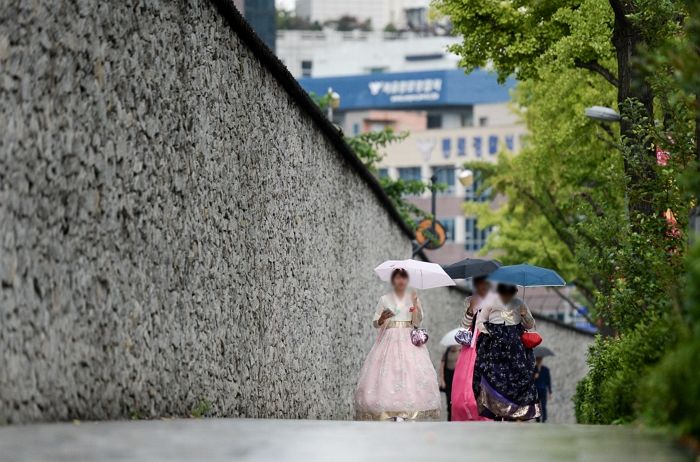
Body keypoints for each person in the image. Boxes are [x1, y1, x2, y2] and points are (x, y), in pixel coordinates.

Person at [354, 268, 441, 421]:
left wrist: (415, 304)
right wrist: (382, 318)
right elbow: (376, 322)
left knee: (409, 371)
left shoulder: (413, 297)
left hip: (408, 338)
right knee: (389, 371)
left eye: (403, 278)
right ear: (393, 280)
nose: (400, 281)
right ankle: (390, 410)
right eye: (397, 278)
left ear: (407, 281)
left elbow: (417, 321)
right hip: (389, 338)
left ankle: (405, 410)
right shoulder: (384, 299)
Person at [472, 283, 541, 421]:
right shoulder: (490, 302)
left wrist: (525, 315)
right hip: (494, 348)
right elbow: (480, 322)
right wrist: (493, 332)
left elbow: (530, 324)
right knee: (493, 378)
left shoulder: (520, 303)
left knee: (517, 378)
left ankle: (513, 412)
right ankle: (496, 411)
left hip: (515, 348)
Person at [450, 276, 493, 421]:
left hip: (486, 344)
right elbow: (464, 326)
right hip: (470, 347)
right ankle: (464, 407)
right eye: (479, 284)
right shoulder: (472, 301)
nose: (482, 287)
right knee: (464, 378)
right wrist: (470, 310)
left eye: (484, 284)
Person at [439, 344, 461, 421]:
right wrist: (442, 380)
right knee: (449, 400)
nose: (454, 347)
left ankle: (457, 417)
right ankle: (450, 419)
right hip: (448, 377)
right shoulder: (447, 351)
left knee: (457, 400)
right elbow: (442, 366)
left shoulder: (460, 351)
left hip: (457, 377)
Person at [534, 356, 552, 423]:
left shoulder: (546, 370)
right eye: (537, 359)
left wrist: (550, 392)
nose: (538, 361)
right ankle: (537, 419)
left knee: (544, 405)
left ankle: (544, 419)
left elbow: (548, 381)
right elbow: (530, 380)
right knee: (536, 406)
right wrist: (534, 377)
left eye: (539, 359)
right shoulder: (534, 369)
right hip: (536, 390)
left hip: (543, 389)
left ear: (541, 360)